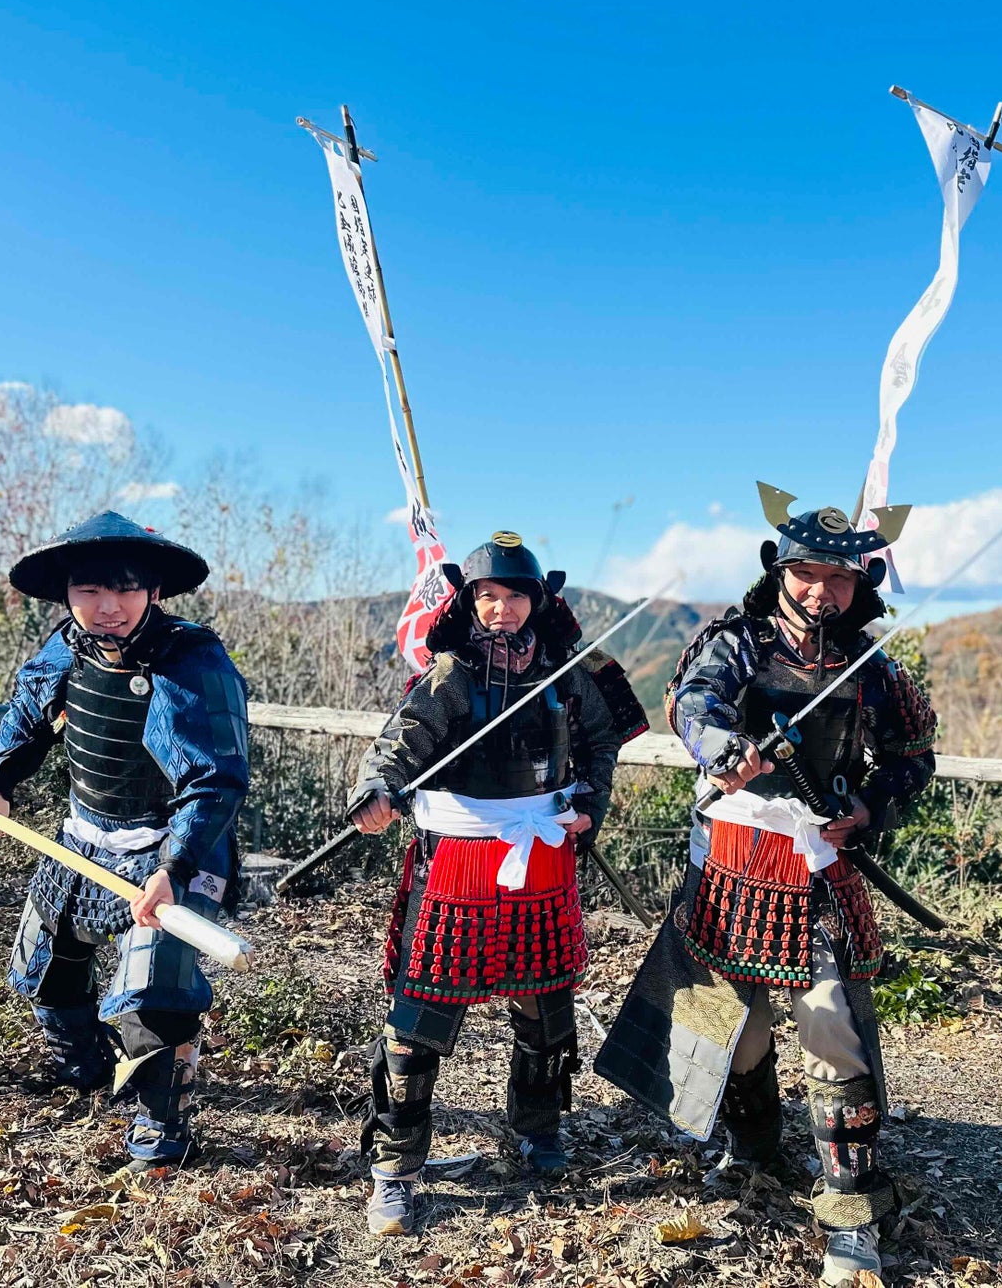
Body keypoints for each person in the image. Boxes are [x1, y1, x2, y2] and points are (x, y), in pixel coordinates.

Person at [595, 484, 936, 1288]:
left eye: (839, 577)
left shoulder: (872, 667)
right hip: (734, 857)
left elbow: (913, 755)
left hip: (818, 862)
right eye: (808, 573)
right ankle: (753, 1148)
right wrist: (724, 748)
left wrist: (869, 804)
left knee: (828, 1021)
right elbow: (695, 703)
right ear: (780, 570)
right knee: (734, 1023)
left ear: (859, 584)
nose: (822, 591)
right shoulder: (736, 642)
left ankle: (850, 1212)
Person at [347, 532, 642, 1236]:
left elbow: (601, 742)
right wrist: (377, 787)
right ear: (469, 602)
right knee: (416, 1022)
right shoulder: (450, 674)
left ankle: (538, 1132)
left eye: (514, 596)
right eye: (487, 596)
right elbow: (401, 739)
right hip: (456, 859)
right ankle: (395, 1169)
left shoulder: (569, 673)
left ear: (537, 601)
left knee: (546, 1010)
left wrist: (590, 801)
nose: (501, 608)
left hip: (541, 853)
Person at [0, 511, 249, 1172]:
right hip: (83, 836)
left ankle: (161, 1119)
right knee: (46, 967)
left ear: (153, 591)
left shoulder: (192, 658)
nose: (107, 606)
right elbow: (27, 717)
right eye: (89, 590)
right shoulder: (66, 645)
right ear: (67, 594)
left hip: (173, 845)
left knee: (155, 993)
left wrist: (176, 865)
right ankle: (84, 1066)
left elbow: (215, 778)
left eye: (124, 589)